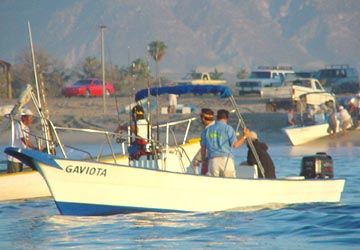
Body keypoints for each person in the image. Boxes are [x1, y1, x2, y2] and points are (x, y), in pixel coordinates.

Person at [200, 109, 247, 178]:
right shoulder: (228, 129)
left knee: (214, 184)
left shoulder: (207, 130)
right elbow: (235, 145)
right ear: (227, 118)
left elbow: (203, 148)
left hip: (213, 161)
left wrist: (203, 161)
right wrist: (244, 136)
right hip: (226, 160)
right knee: (229, 183)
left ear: (217, 117)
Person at [193, 108, 215, 175]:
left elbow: (205, 147)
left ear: (203, 118)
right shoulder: (217, 127)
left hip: (210, 160)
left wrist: (197, 159)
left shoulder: (207, 131)